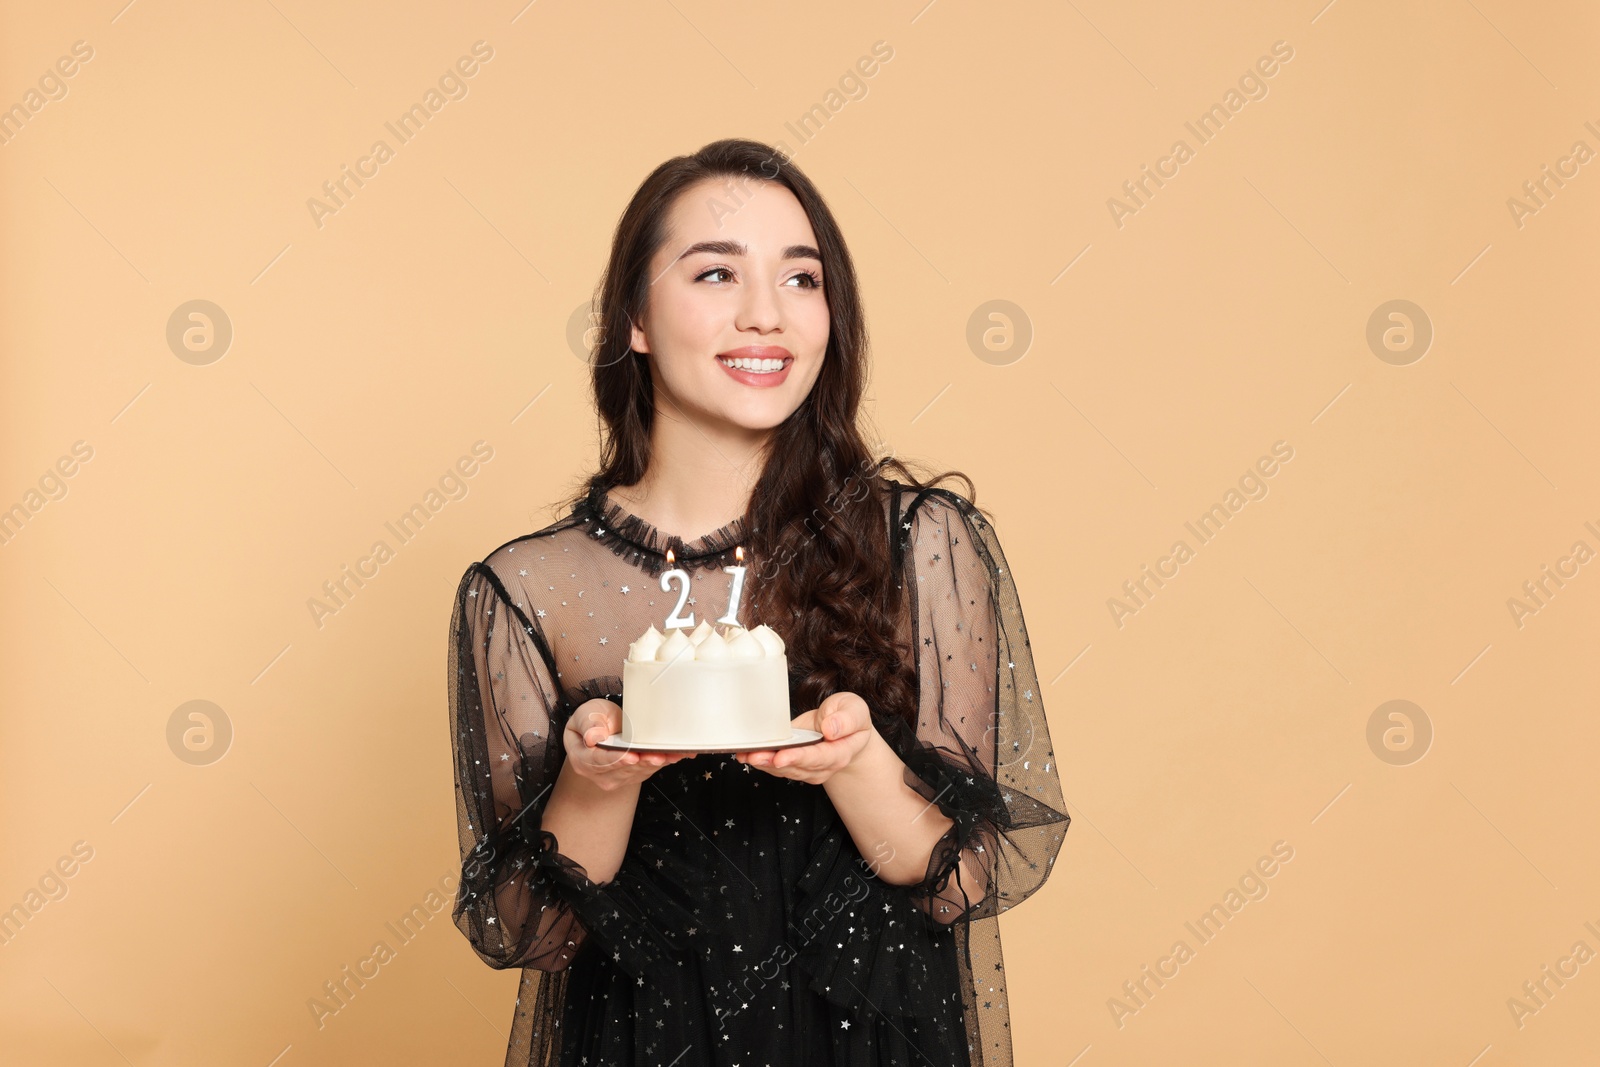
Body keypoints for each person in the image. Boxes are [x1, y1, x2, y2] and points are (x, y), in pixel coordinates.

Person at [447, 137, 1069, 1067]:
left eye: (802, 280)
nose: (766, 316)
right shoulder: (531, 592)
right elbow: (528, 931)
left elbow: (965, 879)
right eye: (714, 274)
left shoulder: (919, 545)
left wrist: (856, 763)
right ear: (632, 319)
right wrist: (596, 780)